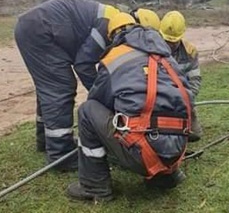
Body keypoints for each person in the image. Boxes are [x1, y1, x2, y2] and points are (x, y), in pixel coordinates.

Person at [66, 13, 193, 202]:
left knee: (87, 110)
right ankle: (166, 177)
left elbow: (98, 100)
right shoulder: (167, 57)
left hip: (143, 153)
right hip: (176, 151)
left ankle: (95, 186)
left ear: (114, 36)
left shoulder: (114, 58)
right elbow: (186, 97)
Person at [14, 0, 120, 172]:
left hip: (35, 27)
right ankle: (60, 155)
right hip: (40, 30)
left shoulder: (112, 19)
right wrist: (100, 98)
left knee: (49, 87)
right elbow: (84, 64)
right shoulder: (106, 27)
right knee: (59, 88)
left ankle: (45, 140)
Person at [159, 11, 203, 142]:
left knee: (195, 135)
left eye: (174, 42)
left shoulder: (190, 52)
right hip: (159, 99)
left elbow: (195, 80)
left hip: (182, 100)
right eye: (167, 41)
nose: (170, 45)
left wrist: (185, 99)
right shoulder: (151, 49)